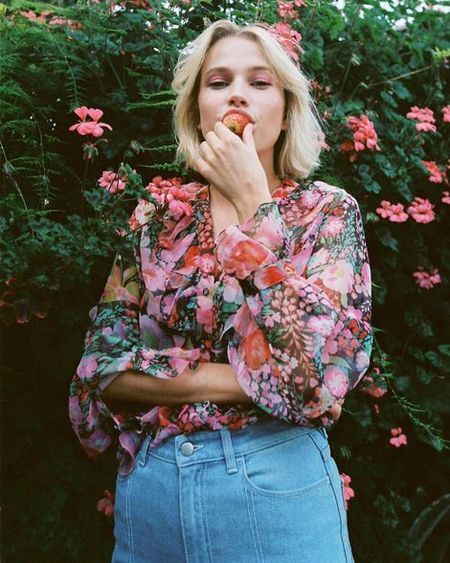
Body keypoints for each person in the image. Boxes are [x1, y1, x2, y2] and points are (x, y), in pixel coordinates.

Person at [69, 19, 372, 563]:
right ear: (196, 111)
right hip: (152, 494)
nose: (237, 94)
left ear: (286, 110)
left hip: (275, 486)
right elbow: (101, 368)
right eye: (218, 82)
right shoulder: (157, 218)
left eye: (259, 82)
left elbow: (319, 378)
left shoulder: (326, 214)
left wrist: (255, 202)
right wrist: (263, 377)